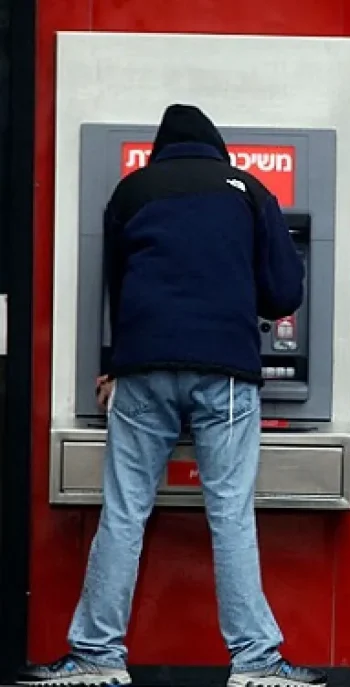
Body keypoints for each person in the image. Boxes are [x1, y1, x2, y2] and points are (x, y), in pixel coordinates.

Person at [18, 104, 325, 687]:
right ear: (217, 150)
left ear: (161, 151)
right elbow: (285, 292)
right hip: (226, 373)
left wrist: (115, 367)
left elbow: (117, 289)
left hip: (143, 368)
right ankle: (255, 660)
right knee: (230, 515)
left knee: (124, 510)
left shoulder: (132, 192)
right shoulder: (248, 191)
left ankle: (97, 653)